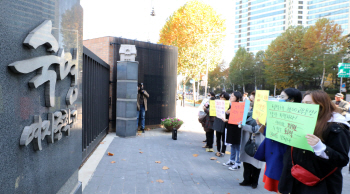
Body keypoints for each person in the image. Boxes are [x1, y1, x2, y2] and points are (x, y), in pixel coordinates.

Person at [278, 90, 350, 194]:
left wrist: (320, 147)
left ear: (321, 105)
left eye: (308, 104)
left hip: (320, 185)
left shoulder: (337, 126)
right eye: (303, 103)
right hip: (295, 179)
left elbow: (342, 160)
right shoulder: (302, 121)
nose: (304, 106)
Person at [254, 88, 302, 192]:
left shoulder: (298, 116)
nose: (279, 99)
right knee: (277, 186)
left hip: (284, 156)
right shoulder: (278, 113)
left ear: (292, 100)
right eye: (279, 96)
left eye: (282, 97)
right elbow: (270, 133)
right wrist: (261, 125)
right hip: (273, 153)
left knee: (283, 184)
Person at [239, 91, 265, 189]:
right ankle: (246, 180)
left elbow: (259, 128)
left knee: (256, 161)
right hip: (247, 138)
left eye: (252, 98)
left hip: (257, 140)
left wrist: (244, 126)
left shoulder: (264, 112)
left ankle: (254, 182)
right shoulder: (248, 109)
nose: (250, 99)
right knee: (246, 161)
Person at [222, 91, 243, 170]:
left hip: (237, 129)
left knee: (237, 146)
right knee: (232, 145)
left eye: (233, 96)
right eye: (231, 96)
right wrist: (227, 113)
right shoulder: (231, 105)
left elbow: (238, 119)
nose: (231, 97)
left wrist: (227, 120)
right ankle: (232, 160)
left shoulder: (240, 106)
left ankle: (238, 163)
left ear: (237, 98)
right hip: (230, 127)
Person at [212, 92, 230, 157]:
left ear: (226, 98)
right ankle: (218, 151)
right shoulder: (217, 104)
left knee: (223, 139)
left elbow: (230, 115)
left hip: (224, 123)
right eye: (220, 97)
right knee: (218, 137)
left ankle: (223, 151)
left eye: (223, 97)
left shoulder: (229, 105)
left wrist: (227, 112)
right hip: (218, 121)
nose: (221, 98)